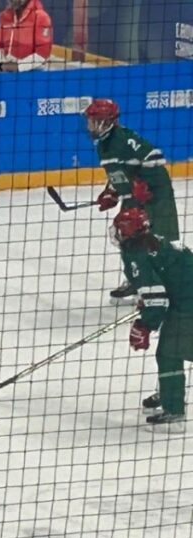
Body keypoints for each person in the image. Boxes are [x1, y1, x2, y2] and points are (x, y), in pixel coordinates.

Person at [86, 99, 179, 301]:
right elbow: (117, 172)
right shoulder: (103, 145)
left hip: (155, 196)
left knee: (156, 239)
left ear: (106, 122)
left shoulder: (124, 139)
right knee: (125, 234)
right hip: (133, 197)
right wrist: (111, 191)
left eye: (94, 121)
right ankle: (137, 279)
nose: (90, 125)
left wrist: (144, 184)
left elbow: (155, 157)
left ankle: (166, 282)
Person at [112, 208, 189, 433]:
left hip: (187, 304)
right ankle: (169, 392)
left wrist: (144, 325)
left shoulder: (136, 253)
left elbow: (157, 300)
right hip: (184, 299)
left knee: (169, 352)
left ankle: (174, 413)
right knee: (172, 349)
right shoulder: (152, 242)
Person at [0, 0, 52, 72]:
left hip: (33, 75)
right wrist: (0, 63)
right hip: (6, 73)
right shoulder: (5, 16)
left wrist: (18, 67)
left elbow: (43, 53)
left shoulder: (41, 17)